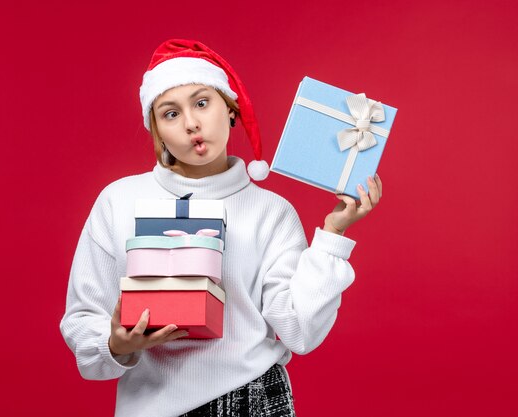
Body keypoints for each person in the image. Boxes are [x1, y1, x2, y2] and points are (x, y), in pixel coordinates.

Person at [60, 39, 383, 417]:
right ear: (158, 131)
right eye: (170, 114)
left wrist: (332, 235)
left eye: (201, 103)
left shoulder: (271, 211)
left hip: (255, 399)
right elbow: (82, 321)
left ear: (230, 110)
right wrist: (115, 343)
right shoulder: (119, 201)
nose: (191, 123)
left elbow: (300, 331)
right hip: (151, 405)